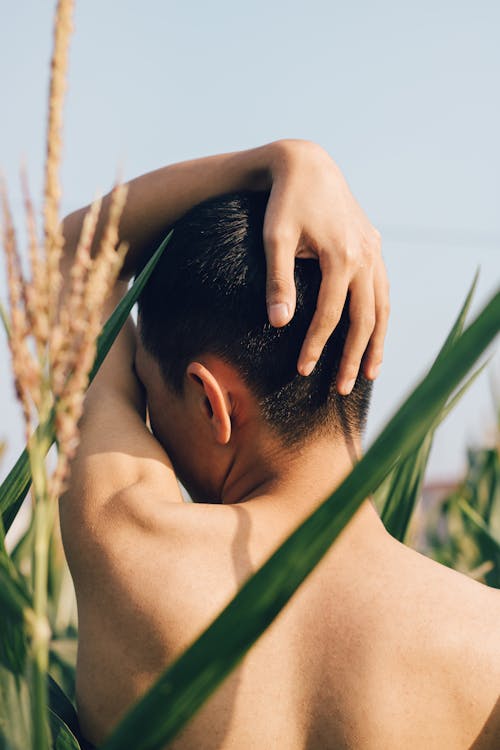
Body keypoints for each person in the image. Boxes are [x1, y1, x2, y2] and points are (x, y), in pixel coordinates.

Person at [60, 140, 500, 749]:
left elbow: (76, 254)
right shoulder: (487, 645)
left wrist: (287, 160)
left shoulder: (128, 545)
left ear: (211, 401)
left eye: (146, 398)